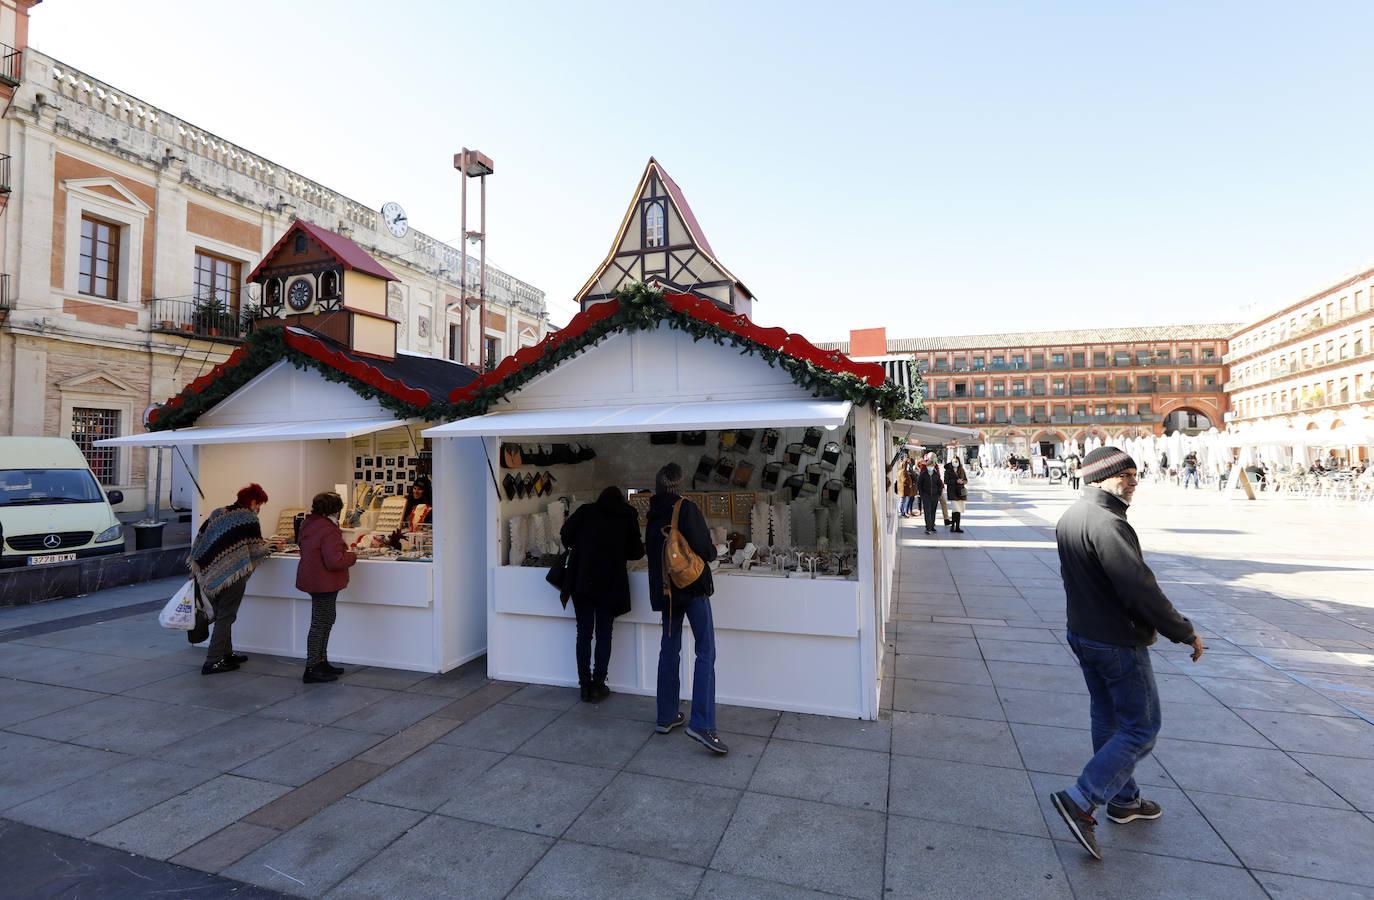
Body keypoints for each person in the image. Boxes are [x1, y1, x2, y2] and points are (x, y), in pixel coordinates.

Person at [1049, 446, 1206, 861]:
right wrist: (1183, 631)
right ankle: (1083, 798)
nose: (1134, 482)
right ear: (1102, 477)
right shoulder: (1108, 523)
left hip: (1083, 633)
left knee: (1109, 718)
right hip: (1116, 641)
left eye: (1136, 474)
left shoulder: (1072, 516)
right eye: (1127, 475)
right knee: (1141, 727)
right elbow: (1139, 588)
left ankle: (1125, 799)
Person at [645, 462, 726, 755]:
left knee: (669, 650)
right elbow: (705, 549)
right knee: (705, 651)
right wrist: (717, 549)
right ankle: (702, 724)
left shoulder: (652, 512)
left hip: (667, 594)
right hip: (691, 589)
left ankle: (666, 716)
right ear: (679, 485)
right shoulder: (685, 508)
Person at [559, 486, 645, 702]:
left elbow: (565, 535)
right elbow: (636, 551)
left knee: (584, 633)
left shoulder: (586, 511)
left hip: (584, 581)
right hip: (610, 582)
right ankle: (599, 683)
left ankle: (584, 685)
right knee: (604, 633)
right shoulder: (627, 515)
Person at [189, 483, 274, 675]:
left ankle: (226, 654)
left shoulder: (218, 513)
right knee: (226, 617)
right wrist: (272, 546)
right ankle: (213, 661)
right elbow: (255, 550)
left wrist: (198, 568)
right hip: (233, 576)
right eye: (259, 504)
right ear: (253, 501)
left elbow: (199, 541)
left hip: (210, 574)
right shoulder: (249, 518)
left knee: (221, 615)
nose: (259, 508)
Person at [295, 492, 358, 683]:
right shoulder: (329, 529)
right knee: (321, 623)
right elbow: (334, 561)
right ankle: (313, 667)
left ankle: (321, 662)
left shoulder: (308, 523)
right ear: (335, 509)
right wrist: (352, 556)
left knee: (325, 620)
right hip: (325, 581)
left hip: (314, 579)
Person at [917, 453, 944, 535]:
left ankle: (932, 526)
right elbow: (919, 485)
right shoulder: (923, 474)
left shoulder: (936, 475)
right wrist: (922, 494)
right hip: (926, 495)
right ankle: (927, 527)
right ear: (927, 466)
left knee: (933, 511)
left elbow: (940, 485)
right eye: (929, 466)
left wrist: (939, 494)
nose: (930, 467)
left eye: (931, 466)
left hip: (935, 496)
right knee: (927, 511)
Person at [944, 458, 968, 533]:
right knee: (955, 509)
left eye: (957, 461)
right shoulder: (948, 470)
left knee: (959, 510)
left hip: (960, 492)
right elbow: (946, 481)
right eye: (954, 461)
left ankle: (957, 526)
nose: (955, 463)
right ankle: (953, 526)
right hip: (952, 492)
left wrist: (962, 481)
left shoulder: (961, 469)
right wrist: (955, 481)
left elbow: (966, 480)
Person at [895, 453, 917, 517]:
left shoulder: (900, 470)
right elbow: (904, 479)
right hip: (904, 488)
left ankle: (902, 512)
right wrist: (910, 483)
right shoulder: (903, 471)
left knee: (903, 500)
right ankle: (901, 513)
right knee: (903, 501)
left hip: (902, 488)